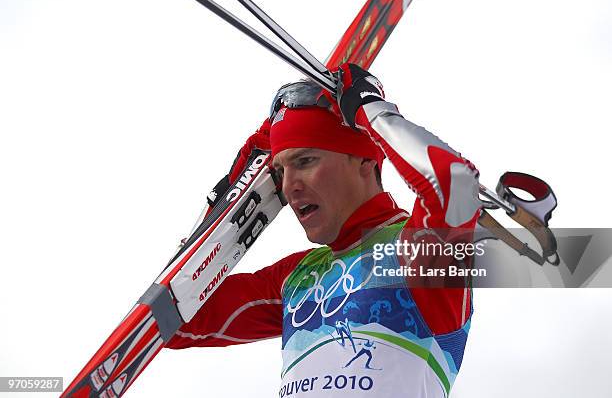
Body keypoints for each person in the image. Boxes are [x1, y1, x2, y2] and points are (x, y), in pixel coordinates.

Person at [166, 63, 481, 397]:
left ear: (365, 161)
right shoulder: (295, 276)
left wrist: (369, 110)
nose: (289, 187)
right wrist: (243, 171)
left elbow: (456, 184)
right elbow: (175, 322)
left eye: (305, 161)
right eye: (280, 169)